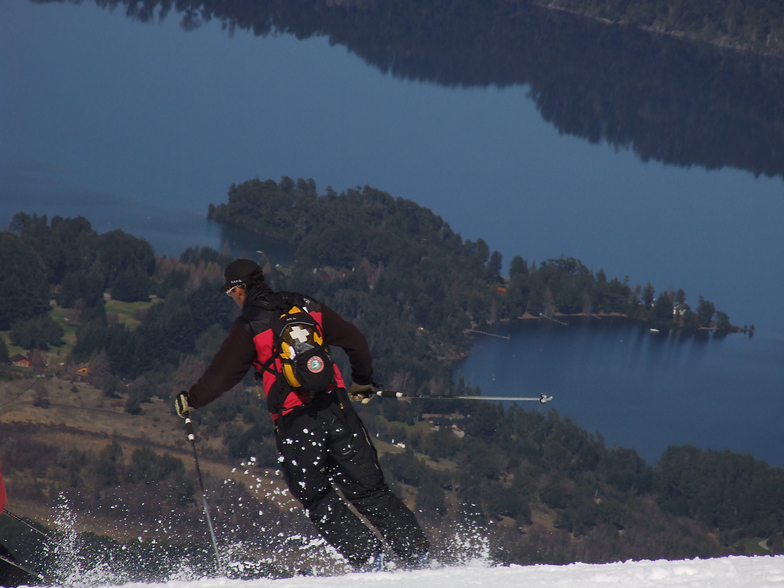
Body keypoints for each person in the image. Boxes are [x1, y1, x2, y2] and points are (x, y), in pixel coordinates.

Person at [175, 259, 429, 570]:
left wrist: (191, 400)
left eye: (230, 293)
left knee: (315, 494)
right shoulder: (306, 305)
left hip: (297, 420)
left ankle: (369, 559)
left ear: (238, 289)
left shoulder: (250, 325)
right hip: (337, 407)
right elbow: (356, 342)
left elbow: (221, 377)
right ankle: (419, 556)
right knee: (369, 489)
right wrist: (362, 381)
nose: (232, 298)